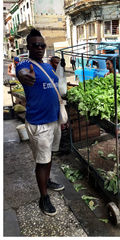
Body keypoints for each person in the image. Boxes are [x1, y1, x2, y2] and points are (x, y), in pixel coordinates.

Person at [16, 28, 65, 216]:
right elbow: (22, 74)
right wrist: (23, 76)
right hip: (39, 124)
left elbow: (53, 86)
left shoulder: (45, 66)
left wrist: (54, 66)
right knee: (41, 162)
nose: (39, 48)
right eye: (35, 45)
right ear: (28, 46)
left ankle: (48, 181)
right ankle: (43, 196)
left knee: (49, 156)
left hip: (53, 120)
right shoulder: (25, 65)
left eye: (42, 45)